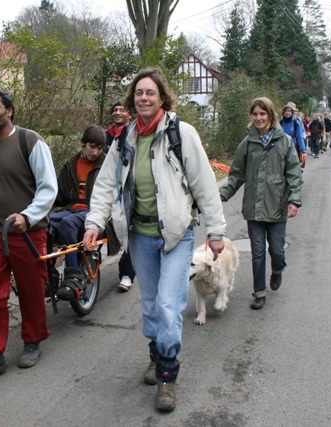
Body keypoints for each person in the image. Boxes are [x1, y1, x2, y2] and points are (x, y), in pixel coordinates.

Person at [83, 68, 226, 412]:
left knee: (167, 304)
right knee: (150, 307)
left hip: (177, 236)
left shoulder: (181, 133)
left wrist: (217, 231)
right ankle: (156, 354)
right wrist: (93, 222)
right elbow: (104, 185)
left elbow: (205, 183)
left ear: (162, 97)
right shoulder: (124, 139)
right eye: (138, 93)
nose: (143, 98)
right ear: (133, 99)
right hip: (140, 236)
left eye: (150, 92)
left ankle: (167, 376)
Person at [0, 89, 58, 387]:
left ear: (9, 110)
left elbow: (48, 187)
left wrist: (27, 216)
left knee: (31, 292)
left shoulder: (29, 141)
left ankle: (32, 341)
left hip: (26, 232)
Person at [219, 97, 303, 310]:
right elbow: (236, 175)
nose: (258, 118)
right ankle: (259, 293)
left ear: (271, 115)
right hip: (253, 208)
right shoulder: (247, 144)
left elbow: (294, 174)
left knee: (277, 251)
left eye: (262, 114)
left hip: (277, 207)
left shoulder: (284, 141)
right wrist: (219, 196)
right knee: (258, 252)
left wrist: (294, 200)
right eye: (255, 114)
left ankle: (277, 270)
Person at [51, 125, 108, 300]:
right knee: (43, 223)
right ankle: (49, 274)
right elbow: (59, 194)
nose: (95, 152)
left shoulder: (106, 164)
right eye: (92, 146)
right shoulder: (71, 163)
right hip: (71, 209)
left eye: (99, 148)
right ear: (83, 144)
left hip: (94, 211)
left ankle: (72, 274)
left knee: (68, 223)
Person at [106, 100, 136, 292]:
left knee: (128, 229)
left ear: (129, 115)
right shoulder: (104, 136)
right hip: (106, 188)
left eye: (121, 110)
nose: (117, 112)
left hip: (126, 190)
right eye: (114, 109)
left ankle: (126, 274)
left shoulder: (133, 135)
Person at [280, 103, 307, 168]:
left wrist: (303, 150)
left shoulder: (295, 122)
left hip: (293, 146)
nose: (287, 113)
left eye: (289, 111)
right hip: (282, 146)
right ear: (283, 113)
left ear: (292, 112)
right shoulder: (280, 122)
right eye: (285, 111)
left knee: (293, 166)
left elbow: (300, 136)